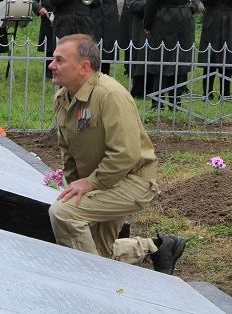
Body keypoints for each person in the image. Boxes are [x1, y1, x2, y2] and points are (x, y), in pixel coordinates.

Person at [47, 34, 186, 274]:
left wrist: (90, 184)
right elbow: (68, 151)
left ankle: (91, 281)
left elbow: (125, 155)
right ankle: (155, 247)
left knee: (64, 213)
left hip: (132, 181)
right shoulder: (63, 98)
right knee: (98, 251)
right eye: (53, 59)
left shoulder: (110, 95)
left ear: (84, 66)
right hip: (102, 183)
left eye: (59, 60)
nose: (51, 65)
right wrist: (75, 186)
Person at [32, 0, 64, 78]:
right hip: (48, 18)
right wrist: (39, 8)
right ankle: (48, 72)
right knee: (49, 46)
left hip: (63, 17)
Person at [126, 0, 155, 98]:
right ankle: (138, 92)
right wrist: (152, 2)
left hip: (157, 28)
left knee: (154, 59)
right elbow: (132, 6)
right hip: (140, 28)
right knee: (140, 58)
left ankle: (153, 91)